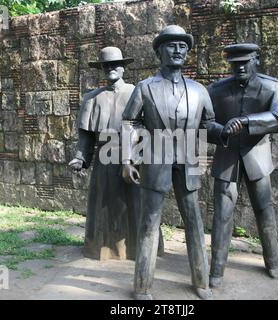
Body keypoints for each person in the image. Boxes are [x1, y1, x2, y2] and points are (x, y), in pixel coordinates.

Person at [122, 25, 226, 300]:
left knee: (194, 222)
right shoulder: (145, 88)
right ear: (159, 52)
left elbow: (209, 124)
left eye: (183, 46)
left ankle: (201, 283)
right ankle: (142, 287)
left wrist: (225, 132)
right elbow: (131, 122)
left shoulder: (199, 90)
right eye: (171, 45)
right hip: (155, 160)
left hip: (189, 162)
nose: (178, 49)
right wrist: (127, 159)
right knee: (149, 224)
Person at [68, 46, 164, 260]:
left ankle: (141, 249)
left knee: (137, 203)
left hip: (135, 156)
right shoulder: (92, 98)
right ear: (102, 69)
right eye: (106, 65)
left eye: (115, 64)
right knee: (104, 205)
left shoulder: (137, 92)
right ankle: (104, 250)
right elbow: (87, 136)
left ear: (123, 68)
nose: (110, 68)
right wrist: (81, 157)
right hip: (105, 158)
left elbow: (148, 127)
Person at [207, 43, 278, 287]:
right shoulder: (217, 90)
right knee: (222, 214)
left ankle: (273, 262)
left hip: (258, 157)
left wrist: (246, 121)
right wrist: (222, 131)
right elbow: (204, 123)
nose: (240, 66)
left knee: (265, 211)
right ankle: (216, 270)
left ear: (256, 61)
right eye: (235, 63)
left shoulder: (272, 86)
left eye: (246, 61)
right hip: (227, 157)